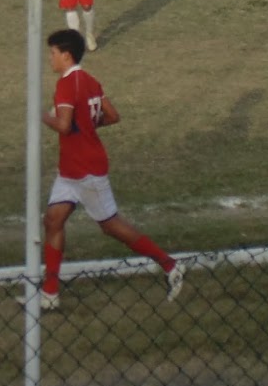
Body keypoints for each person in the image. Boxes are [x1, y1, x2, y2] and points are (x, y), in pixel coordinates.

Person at [39, 28, 183, 311]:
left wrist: (41, 116)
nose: (50, 58)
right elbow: (113, 115)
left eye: (53, 53)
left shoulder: (66, 85)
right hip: (71, 170)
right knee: (53, 221)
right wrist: (86, 126)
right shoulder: (90, 81)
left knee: (110, 225)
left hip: (84, 170)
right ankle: (50, 293)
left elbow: (64, 125)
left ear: (66, 56)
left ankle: (171, 265)